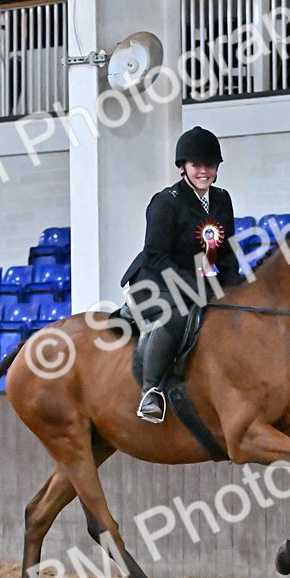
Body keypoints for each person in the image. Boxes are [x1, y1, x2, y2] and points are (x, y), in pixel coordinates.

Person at [120, 126, 246, 423]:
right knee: (177, 313)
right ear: (182, 167)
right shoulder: (166, 201)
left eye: (209, 165)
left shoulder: (222, 199)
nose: (204, 171)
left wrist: (236, 286)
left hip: (199, 279)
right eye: (196, 165)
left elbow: (226, 250)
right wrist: (191, 286)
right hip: (155, 280)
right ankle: (151, 392)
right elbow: (155, 254)